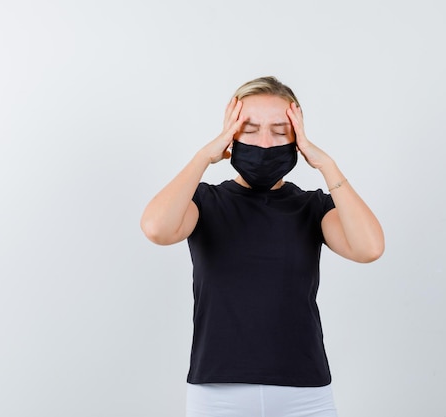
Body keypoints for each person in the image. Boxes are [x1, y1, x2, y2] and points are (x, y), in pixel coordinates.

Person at [140, 76, 384, 417]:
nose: (266, 143)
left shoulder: (312, 207)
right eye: (250, 129)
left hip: (305, 393)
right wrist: (203, 157)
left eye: (281, 131)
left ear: (297, 138)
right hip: (218, 392)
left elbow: (369, 248)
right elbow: (156, 229)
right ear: (231, 134)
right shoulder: (204, 202)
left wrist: (327, 165)